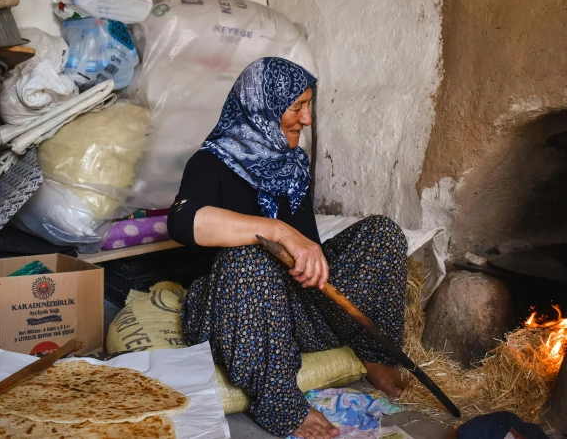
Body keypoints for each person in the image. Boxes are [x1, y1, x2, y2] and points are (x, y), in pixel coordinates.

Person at [167, 57, 409, 439]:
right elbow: (182, 222)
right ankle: (279, 402)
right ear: (259, 107)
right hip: (233, 315)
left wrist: (308, 256)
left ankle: (373, 352)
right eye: (296, 107)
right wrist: (278, 231)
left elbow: (306, 246)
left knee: (383, 234)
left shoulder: (292, 165)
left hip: (294, 314)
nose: (307, 119)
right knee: (248, 257)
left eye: (308, 105)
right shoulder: (210, 162)